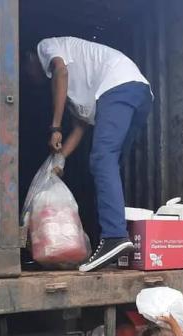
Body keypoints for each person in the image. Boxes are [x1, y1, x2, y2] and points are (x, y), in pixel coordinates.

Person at [23, 36, 152, 272]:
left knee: (102, 159)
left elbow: (60, 71)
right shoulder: (77, 94)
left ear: (31, 58)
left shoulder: (45, 47)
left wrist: (55, 127)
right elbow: (80, 128)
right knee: (108, 166)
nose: (30, 78)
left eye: (26, 70)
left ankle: (114, 235)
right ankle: (116, 239)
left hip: (119, 85)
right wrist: (58, 160)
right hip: (138, 92)